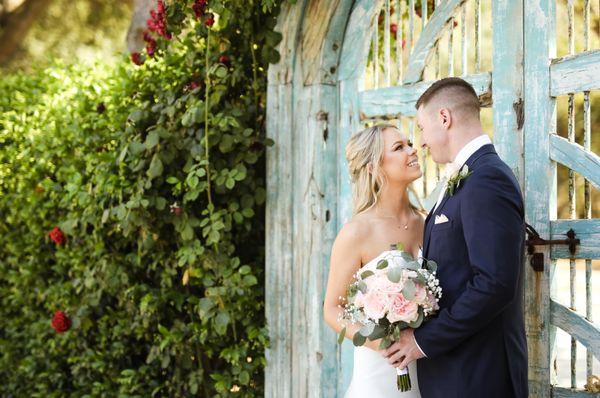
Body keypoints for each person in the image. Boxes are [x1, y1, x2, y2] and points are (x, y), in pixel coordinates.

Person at [382, 77, 528, 398]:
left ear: (444, 118)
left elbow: (494, 283)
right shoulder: (470, 177)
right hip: (457, 372)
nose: (420, 142)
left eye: (421, 128)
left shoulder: (487, 178)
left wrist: (422, 341)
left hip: (478, 375)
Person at [323, 123, 425, 397]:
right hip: (379, 373)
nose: (412, 150)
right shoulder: (357, 231)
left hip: (425, 370)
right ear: (373, 167)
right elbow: (332, 309)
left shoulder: (425, 222)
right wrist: (384, 344)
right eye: (398, 147)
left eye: (409, 143)